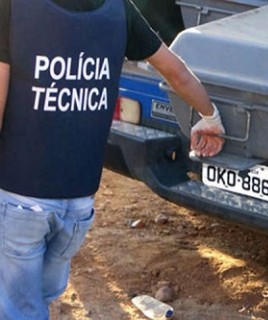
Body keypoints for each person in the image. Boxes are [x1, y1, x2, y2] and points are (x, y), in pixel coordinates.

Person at [0, 0, 225, 319]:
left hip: (19, 197)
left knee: (18, 307)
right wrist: (210, 115)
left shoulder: (11, 7)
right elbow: (177, 73)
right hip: (78, 205)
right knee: (37, 298)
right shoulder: (119, 8)